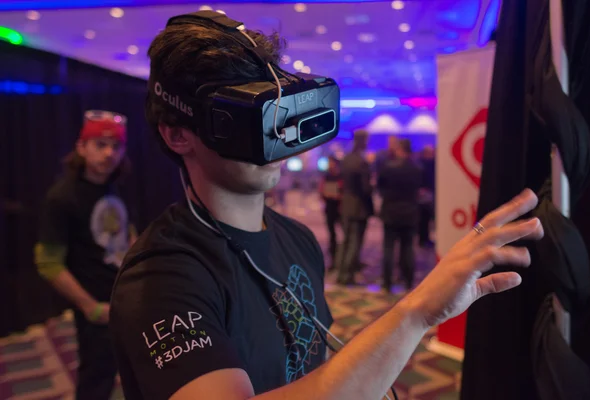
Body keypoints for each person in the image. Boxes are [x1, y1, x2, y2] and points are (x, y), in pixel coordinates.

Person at [109, 13, 545, 400]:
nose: (276, 138)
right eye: (248, 121)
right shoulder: (161, 276)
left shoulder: (299, 240)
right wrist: (418, 312)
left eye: (275, 112)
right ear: (177, 135)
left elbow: (316, 369)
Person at [35, 110, 135, 400]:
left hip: (124, 300)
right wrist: (90, 307)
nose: (109, 153)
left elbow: (128, 234)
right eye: (100, 144)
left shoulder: (114, 186)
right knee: (96, 381)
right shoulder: (61, 197)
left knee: (135, 372)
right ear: (81, 147)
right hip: (97, 309)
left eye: (116, 146)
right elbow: (48, 264)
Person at [378, 139, 422, 292]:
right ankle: (408, 281)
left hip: (390, 212)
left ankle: (386, 282)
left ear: (400, 150)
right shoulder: (416, 168)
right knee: (408, 248)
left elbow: (380, 187)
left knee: (388, 248)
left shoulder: (388, 168)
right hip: (410, 212)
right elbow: (421, 190)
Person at [336, 129, 374, 285]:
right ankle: (348, 275)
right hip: (359, 207)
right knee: (354, 242)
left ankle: (341, 272)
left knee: (345, 241)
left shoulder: (346, 159)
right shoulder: (362, 162)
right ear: (363, 141)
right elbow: (366, 189)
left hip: (345, 205)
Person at [319, 156, 343, 270]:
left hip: (340, 209)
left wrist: (339, 196)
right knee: (332, 236)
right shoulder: (326, 177)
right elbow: (321, 191)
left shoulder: (341, 177)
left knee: (344, 235)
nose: (329, 165)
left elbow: (344, 191)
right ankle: (334, 261)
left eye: (331, 163)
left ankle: (342, 260)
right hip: (329, 209)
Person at [418, 145, 435, 247]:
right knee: (424, 219)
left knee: (426, 219)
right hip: (425, 195)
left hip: (427, 194)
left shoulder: (421, 164)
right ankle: (423, 239)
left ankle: (424, 238)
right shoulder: (425, 165)